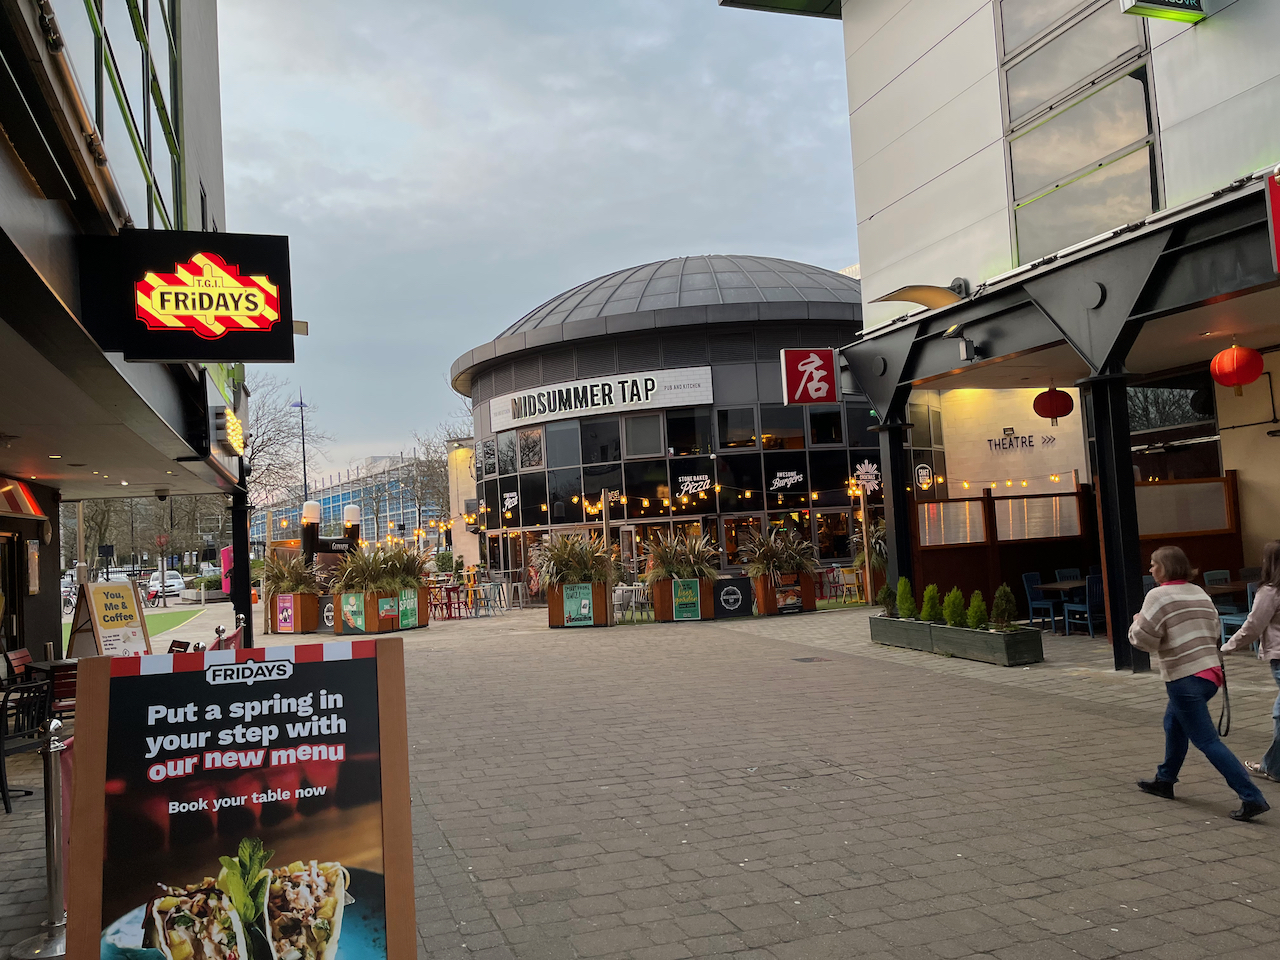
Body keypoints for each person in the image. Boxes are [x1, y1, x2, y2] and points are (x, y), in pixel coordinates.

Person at [1129, 545, 1269, 821]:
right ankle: (1165, 779)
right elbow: (1215, 629)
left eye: (1154, 564)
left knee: (1206, 740)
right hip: (1210, 673)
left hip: (1184, 676)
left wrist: (1136, 622)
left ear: (1165, 568)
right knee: (1173, 723)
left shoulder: (1157, 596)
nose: (1150, 569)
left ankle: (1251, 797)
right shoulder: (1199, 592)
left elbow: (1144, 640)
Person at [1221, 539, 1280, 784]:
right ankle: (1273, 765)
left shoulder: (1270, 591)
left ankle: (1273, 767)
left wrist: (1228, 646)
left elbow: (1254, 625)